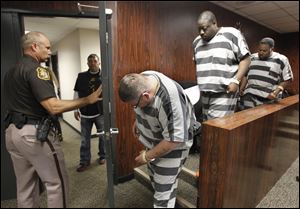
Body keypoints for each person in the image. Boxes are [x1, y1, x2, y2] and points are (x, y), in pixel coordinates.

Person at [3, 31, 102, 208]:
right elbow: (53, 106)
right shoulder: (37, 70)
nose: (50, 51)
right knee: (56, 182)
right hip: (34, 134)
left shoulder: (11, 71)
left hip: (12, 134)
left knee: (25, 185)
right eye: (47, 48)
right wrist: (88, 99)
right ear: (34, 47)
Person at [118, 71, 198, 208]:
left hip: (174, 146)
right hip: (156, 141)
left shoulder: (170, 99)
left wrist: (147, 156)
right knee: (159, 182)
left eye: (135, 105)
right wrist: (138, 122)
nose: (135, 108)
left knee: (162, 197)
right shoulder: (143, 79)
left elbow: (174, 140)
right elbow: (145, 107)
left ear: (146, 96)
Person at [192, 10, 251, 120]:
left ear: (214, 23)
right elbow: (197, 63)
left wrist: (236, 81)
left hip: (224, 92)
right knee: (208, 125)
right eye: (199, 29)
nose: (201, 32)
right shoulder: (196, 42)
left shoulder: (231, 34)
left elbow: (246, 59)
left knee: (218, 126)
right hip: (204, 92)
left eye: (204, 28)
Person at [239, 37, 294, 109]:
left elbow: (288, 79)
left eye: (264, 51)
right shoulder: (252, 57)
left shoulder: (281, 59)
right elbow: (246, 75)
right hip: (250, 95)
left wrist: (275, 93)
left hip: (268, 97)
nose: (261, 53)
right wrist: (242, 88)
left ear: (271, 49)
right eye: (260, 50)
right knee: (247, 118)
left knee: (264, 120)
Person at [73, 54, 105, 172]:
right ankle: (84, 161)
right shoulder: (81, 76)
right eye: (90, 61)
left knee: (103, 137)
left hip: (100, 112)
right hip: (85, 112)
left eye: (94, 61)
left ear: (99, 62)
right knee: (84, 139)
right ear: (87, 63)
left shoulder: (104, 76)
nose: (92, 63)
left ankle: (103, 156)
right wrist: (75, 109)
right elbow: (76, 92)